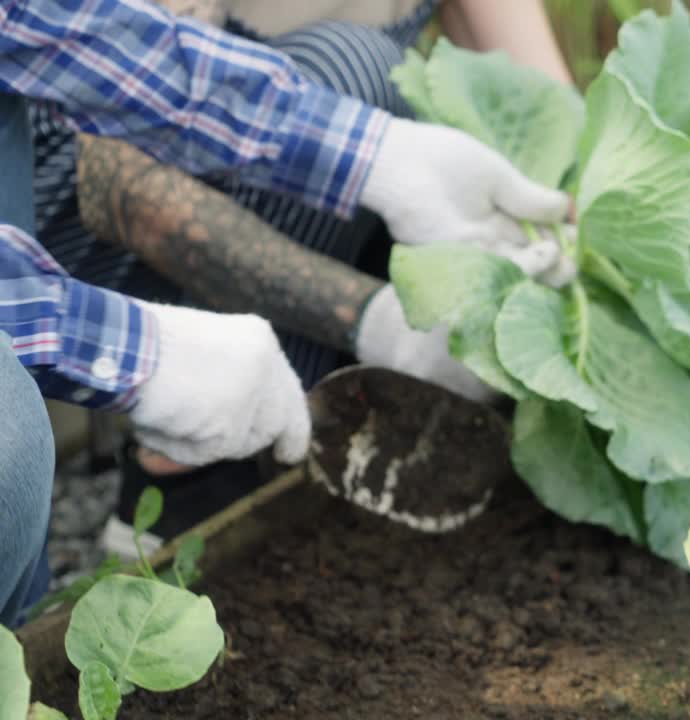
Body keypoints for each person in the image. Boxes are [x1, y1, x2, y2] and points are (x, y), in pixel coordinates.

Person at [0, 0, 572, 627]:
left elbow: (58, 30)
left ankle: (23, 623)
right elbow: (112, 178)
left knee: (362, 73)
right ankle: (176, 489)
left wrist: (377, 154)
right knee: (9, 441)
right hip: (75, 205)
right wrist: (132, 349)